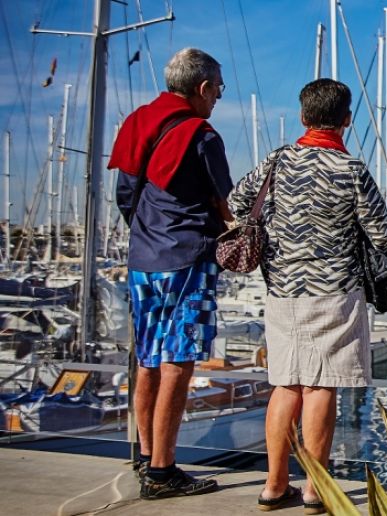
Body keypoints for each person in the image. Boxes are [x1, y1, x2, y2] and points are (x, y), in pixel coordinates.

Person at [228, 79, 387, 513]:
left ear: (303, 117)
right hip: (334, 292)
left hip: (282, 288)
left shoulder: (277, 161)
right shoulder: (350, 170)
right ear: (346, 120)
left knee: (286, 384)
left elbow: (238, 201)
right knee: (322, 385)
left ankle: (273, 485)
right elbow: (381, 233)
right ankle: (315, 490)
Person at [108, 48, 229, 500]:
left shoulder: (138, 120)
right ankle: (163, 471)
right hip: (189, 258)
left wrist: (148, 234)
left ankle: (145, 455)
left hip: (143, 259)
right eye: (217, 89)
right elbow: (225, 204)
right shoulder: (203, 136)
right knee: (179, 359)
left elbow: (126, 194)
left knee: (148, 358)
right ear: (201, 89)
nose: (218, 98)